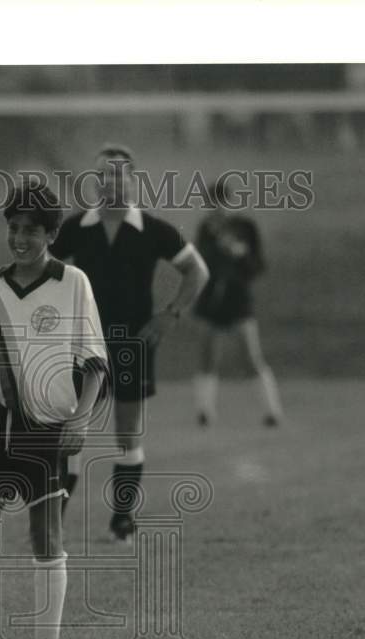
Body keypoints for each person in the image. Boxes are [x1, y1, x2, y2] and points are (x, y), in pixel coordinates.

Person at [0, 182, 107, 639]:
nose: (19, 238)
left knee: (45, 534)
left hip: (45, 425)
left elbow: (95, 359)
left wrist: (81, 417)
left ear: (52, 233)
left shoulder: (73, 282)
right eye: (13, 228)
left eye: (31, 230)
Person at [51, 144, 209, 541]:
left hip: (132, 341)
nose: (110, 180)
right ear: (94, 180)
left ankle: (122, 518)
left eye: (119, 173)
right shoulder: (75, 228)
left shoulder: (154, 230)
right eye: (103, 173)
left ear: (132, 179)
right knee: (71, 426)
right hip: (83, 341)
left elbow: (197, 272)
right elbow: (41, 267)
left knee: (127, 430)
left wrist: (170, 313)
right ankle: (53, 516)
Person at [191, 182, 283, 427]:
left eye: (220, 203)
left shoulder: (245, 227)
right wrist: (218, 250)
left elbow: (257, 266)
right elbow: (200, 263)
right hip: (211, 301)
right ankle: (205, 411)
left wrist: (240, 254)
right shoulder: (207, 230)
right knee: (207, 355)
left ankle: (271, 410)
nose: (216, 209)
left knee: (250, 355)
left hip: (238, 300)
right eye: (212, 204)